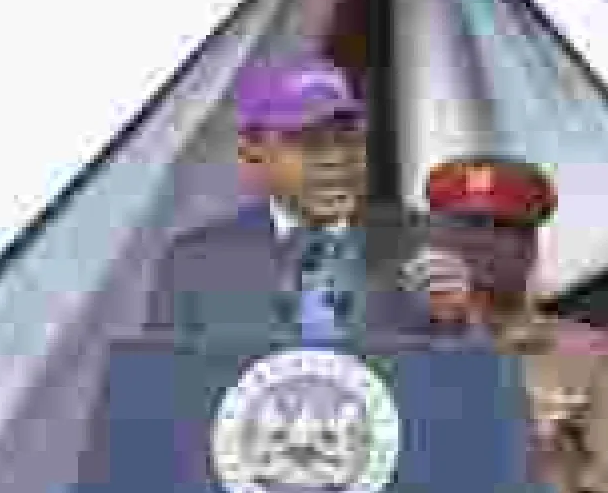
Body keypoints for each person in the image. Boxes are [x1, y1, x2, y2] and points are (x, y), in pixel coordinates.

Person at [416, 157, 608, 493]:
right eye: (467, 226)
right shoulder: (396, 349)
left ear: (531, 246)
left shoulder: (591, 355)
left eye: (504, 228)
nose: (483, 243)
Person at [145, 50, 417, 340]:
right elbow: (161, 369)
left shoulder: (414, 246)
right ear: (252, 150)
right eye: (308, 140)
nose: (335, 158)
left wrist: (449, 318)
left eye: (347, 136)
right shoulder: (195, 263)